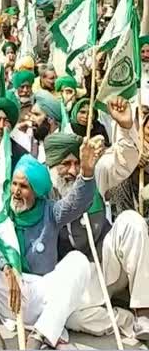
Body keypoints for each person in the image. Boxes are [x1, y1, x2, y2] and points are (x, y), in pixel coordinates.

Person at [0, 153, 97, 349]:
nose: (16, 191)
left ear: (36, 191)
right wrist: (5, 265)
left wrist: (86, 174)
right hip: (7, 295)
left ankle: (40, 336)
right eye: (15, 184)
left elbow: (77, 203)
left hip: (38, 296)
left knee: (78, 261)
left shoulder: (51, 212)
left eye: (24, 187)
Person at [42, 104, 149, 339]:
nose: (73, 170)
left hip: (108, 262)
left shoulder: (92, 174)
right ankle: (126, 321)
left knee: (131, 221)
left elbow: (124, 161)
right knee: (71, 317)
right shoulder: (43, 190)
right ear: (51, 165)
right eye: (65, 164)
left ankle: (143, 312)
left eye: (76, 163)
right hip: (79, 279)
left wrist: (125, 125)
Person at [25, 91, 62, 160]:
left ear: (50, 119)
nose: (31, 118)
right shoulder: (34, 137)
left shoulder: (62, 145)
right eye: (31, 114)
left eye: (36, 114)